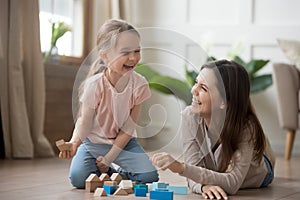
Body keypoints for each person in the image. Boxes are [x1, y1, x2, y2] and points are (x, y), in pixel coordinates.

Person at [150, 60, 275, 199]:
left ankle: (263, 149)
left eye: (203, 88)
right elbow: (193, 171)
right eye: (196, 82)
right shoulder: (190, 116)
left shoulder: (246, 127)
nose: (193, 90)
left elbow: (232, 183)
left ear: (224, 101)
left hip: (256, 172)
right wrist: (203, 186)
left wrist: (180, 167)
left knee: (255, 148)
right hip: (218, 169)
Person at [58, 19, 159, 188]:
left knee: (149, 176)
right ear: (104, 56)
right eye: (125, 52)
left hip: (124, 143)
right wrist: (74, 143)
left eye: (137, 51)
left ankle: (116, 172)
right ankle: (108, 173)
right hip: (93, 143)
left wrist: (110, 157)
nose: (133, 58)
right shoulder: (94, 85)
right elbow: (84, 121)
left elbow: (128, 127)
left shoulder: (140, 85)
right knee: (78, 179)